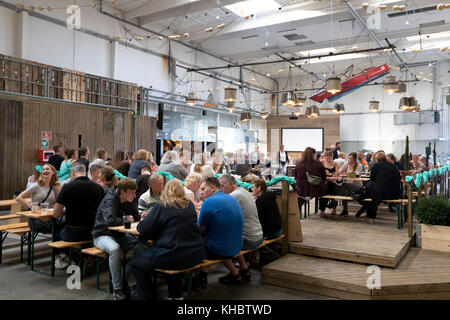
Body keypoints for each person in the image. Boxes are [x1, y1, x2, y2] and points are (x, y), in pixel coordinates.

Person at [130, 180, 206, 300]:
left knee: (136, 263)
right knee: (171, 253)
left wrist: (143, 221)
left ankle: (149, 296)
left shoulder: (161, 206)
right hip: (195, 253)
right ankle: (176, 294)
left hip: (173, 255)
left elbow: (144, 230)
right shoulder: (189, 205)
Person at [92, 178, 141, 300]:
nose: (135, 195)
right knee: (115, 249)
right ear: (122, 191)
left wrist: (139, 216)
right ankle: (117, 289)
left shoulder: (129, 199)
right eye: (132, 192)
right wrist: (127, 219)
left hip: (121, 234)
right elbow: (110, 221)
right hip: (102, 234)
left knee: (143, 246)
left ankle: (124, 276)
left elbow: (136, 216)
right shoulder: (110, 200)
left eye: (135, 192)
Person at [52, 164, 104, 266]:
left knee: (57, 235)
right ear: (85, 173)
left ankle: (72, 258)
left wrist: (67, 210)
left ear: (72, 173)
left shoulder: (68, 187)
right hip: (93, 232)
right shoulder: (98, 188)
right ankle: (86, 257)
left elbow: (56, 214)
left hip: (73, 233)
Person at [197, 177, 244, 287]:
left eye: (203, 189)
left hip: (219, 250)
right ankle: (234, 273)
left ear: (212, 188)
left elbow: (200, 230)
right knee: (216, 239)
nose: (201, 192)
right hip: (237, 248)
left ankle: (199, 277)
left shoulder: (208, 202)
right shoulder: (232, 198)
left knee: (194, 243)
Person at [219, 174, 263, 283]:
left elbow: (219, 213)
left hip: (249, 240)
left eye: (222, 186)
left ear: (232, 184)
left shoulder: (233, 196)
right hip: (258, 236)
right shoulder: (243, 191)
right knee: (233, 238)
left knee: (217, 246)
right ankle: (244, 269)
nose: (221, 189)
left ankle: (235, 274)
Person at [356, 152, 401, 223]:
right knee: (373, 190)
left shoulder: (376, 166)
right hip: (394, 194)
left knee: (370, 190)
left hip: (381, 194)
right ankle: (368, 214)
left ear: (377, 159)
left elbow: (372, 179)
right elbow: (399, 177)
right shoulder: (393, 166)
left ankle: (370, 217)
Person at [16, 163, 61, 234]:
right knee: (58, 228)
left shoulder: (54, 186)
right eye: (43, 169)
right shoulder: (37, 185)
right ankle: (57, 243)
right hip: (36, 219)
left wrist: (58, 188)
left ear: (53, 172)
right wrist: (31, 207)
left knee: (63, 224)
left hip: (49, 218)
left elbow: (59, 202)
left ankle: (59, 243)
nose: (44, 171)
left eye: (47, 169)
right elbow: (19, 198)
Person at [295, 147, 327, 217]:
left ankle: (304, 199)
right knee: (327, 190)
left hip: (300, 189)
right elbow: (324, 178)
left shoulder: (299, 163)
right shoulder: (318, 163)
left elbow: (296, 176)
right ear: (313, 154)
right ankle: (322, 211)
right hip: (314, 189)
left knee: (302, 195)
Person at [336, 152, 363, 216]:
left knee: (343, 186)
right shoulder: (346, 163)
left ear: (354, 159)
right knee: (343, 191)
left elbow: (356, 176)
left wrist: (346, 174)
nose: (349, 160)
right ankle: (345, 210)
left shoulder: (359, 165)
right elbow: (340, 171)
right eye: (348, 158)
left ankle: (335, 202)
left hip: (357, 186)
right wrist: (337, 172)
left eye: (351, 158)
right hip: (348, 185)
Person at [320, 150, 339, 215]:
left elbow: (336, 175)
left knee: (333, 189)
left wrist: (330, 174)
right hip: (324, 182)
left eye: (330, 158)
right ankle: (322, 210)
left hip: (332, 182)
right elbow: (318, 174)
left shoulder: (335, 164)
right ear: (324, 157)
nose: (328, 159)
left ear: (332, 157)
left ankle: (333, 206)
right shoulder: (321, 163)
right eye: (327, 158)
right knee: (325, 191)